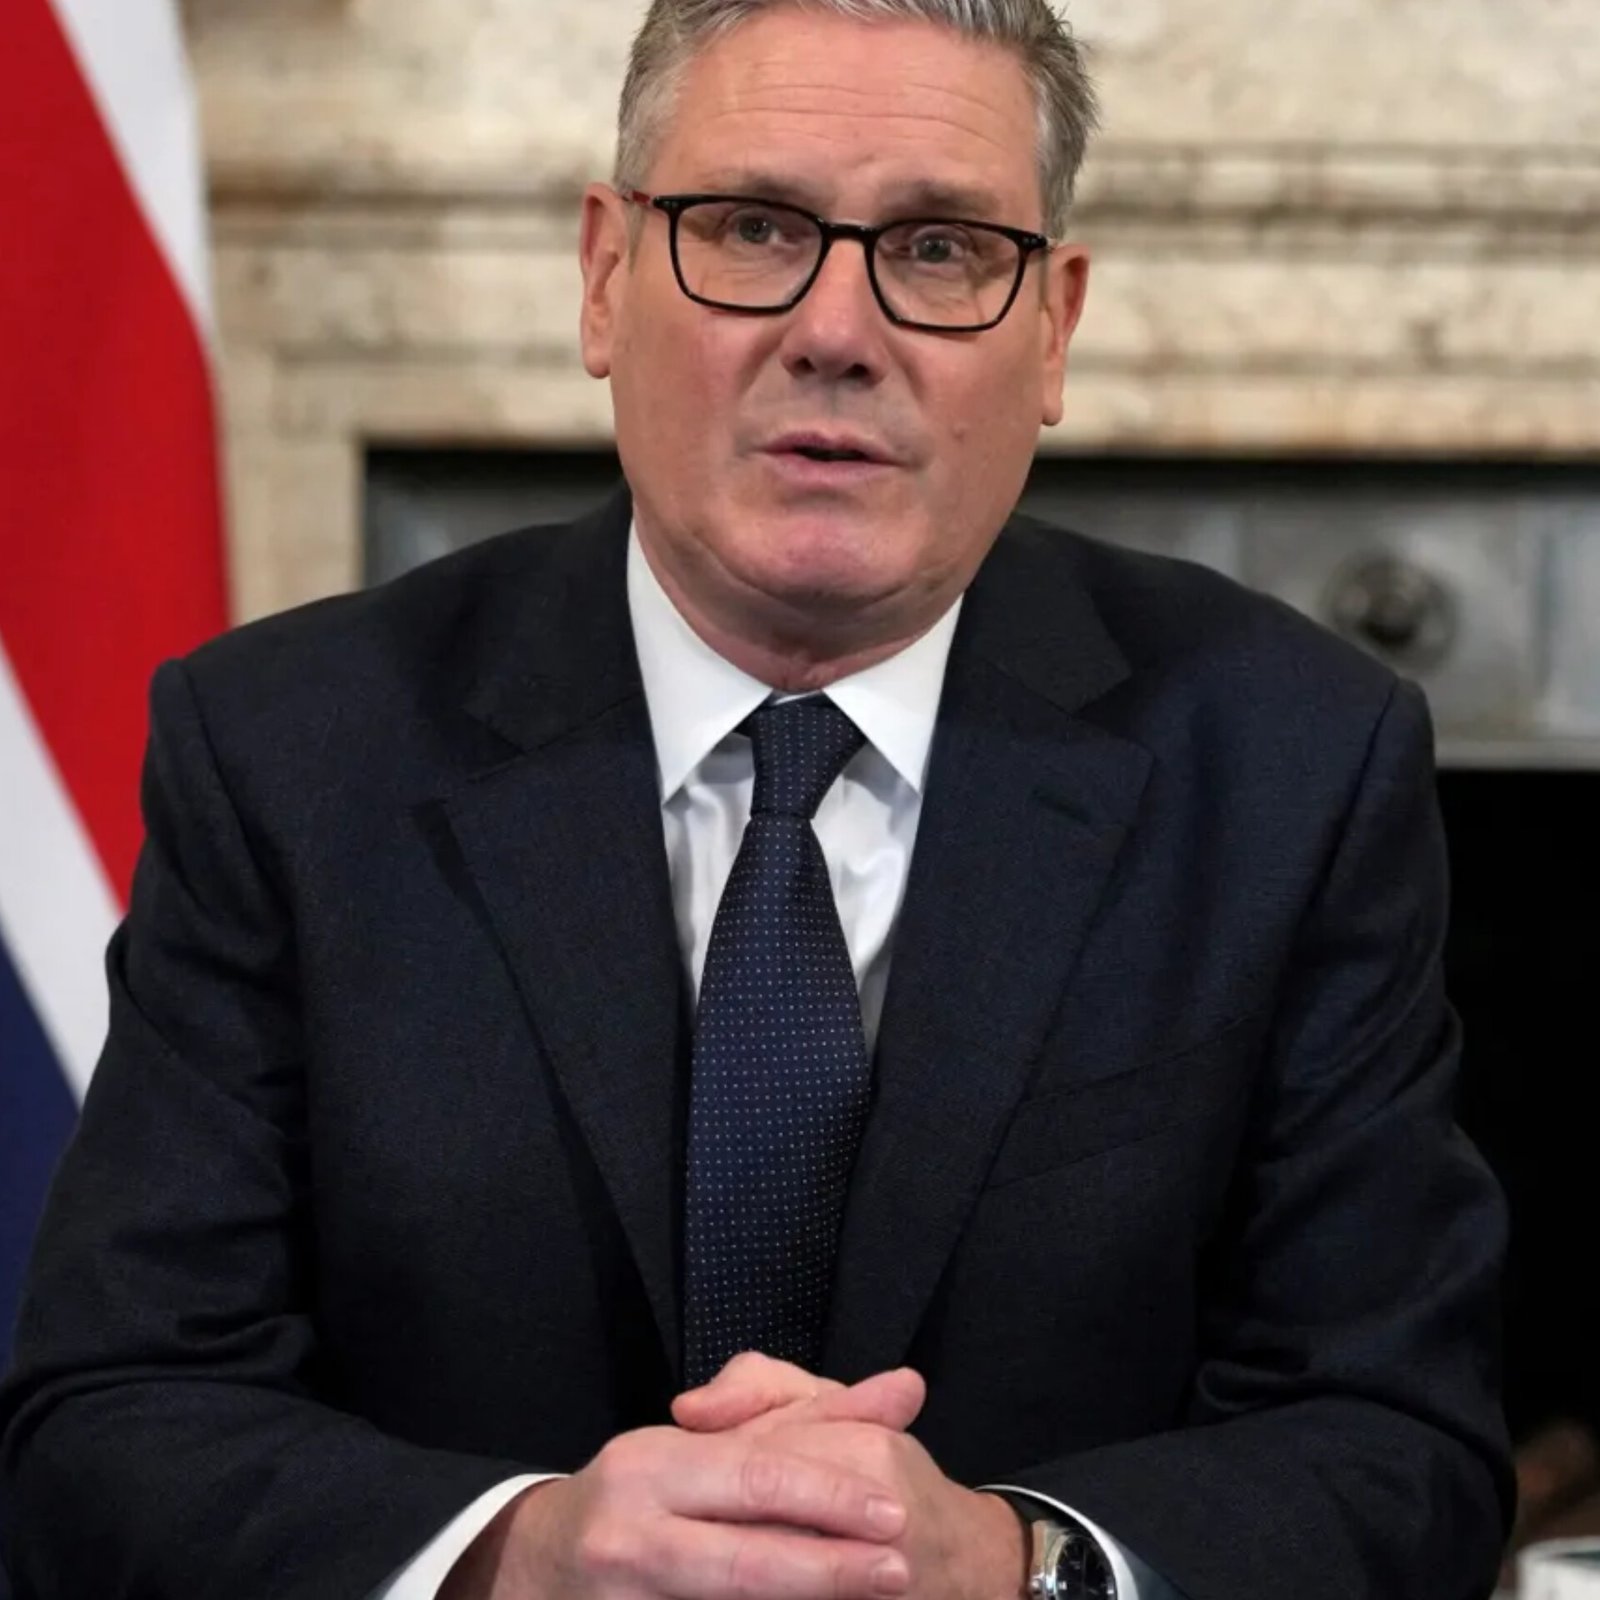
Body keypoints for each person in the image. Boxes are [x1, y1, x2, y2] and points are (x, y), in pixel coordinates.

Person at [0, 1, 1512, 1597]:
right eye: (751, 228)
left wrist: (1017, 1565)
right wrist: (516, 1555)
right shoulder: (290, 750)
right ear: (604, 276)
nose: (837, 330)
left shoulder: (1292, 764)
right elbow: (107, 1425)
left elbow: (1399, 1443)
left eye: (941, 249)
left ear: (1054, 328)